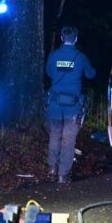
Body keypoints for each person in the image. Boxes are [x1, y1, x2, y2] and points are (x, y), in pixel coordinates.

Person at [46, 26, 96, 183]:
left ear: (61, 38)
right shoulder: (80, 56)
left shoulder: (54, 55)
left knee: (55, 136)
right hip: (72, 106)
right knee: (68, 139)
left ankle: (52, 168)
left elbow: (48, 73)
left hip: (54, 104)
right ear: (75, 39)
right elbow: (91, 74)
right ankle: (62, 174)